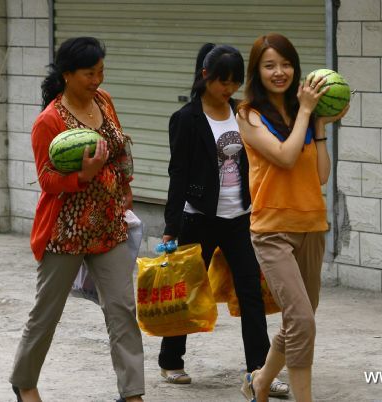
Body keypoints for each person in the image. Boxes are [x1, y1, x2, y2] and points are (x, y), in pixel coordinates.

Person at [8, 37, 144, 402]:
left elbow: (119, 146)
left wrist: (125, 184)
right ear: (67, 75)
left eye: (101, 71)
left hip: (109, 225)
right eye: (89, 73)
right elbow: (47, 180)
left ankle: (132, 394)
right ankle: (24, 383)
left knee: (122, 311)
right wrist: (83, 175)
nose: (97, 79)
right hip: (64, 231)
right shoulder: (48, 121)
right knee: (46, 313)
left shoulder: (105, 101)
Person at [159, 43, 289, 397]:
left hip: (239, 218)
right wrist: (171, 226)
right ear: (205, 77)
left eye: (234, 83)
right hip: (198, 219)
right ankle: (171, 360)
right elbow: (178, 174)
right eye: (222, 82)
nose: (228, 90)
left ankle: (259, 371)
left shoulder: (242, 113)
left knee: (250, 293)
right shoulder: (186, 119)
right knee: (188, 292)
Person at [236, 33, 349, 402]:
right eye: (270, 65)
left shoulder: (305, 117)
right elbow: (283, 157)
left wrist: (318, 127)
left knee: (299, 319)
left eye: (285, 64)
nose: (279, 72)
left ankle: (260, 381)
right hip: (271, 230)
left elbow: (320, 176)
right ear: (257, 71)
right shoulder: (248, 114)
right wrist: (305, 111)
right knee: (302, 321)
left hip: (312, 225)